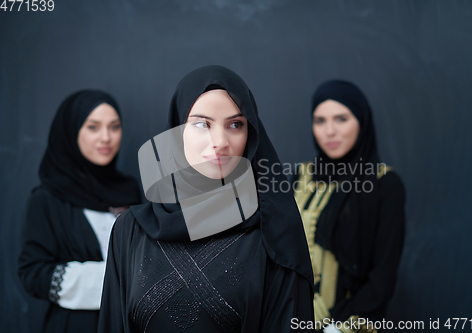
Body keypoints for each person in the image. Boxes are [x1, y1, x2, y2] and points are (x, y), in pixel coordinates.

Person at [97, 65, 314, 333]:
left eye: (235, 124)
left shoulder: (274, 230)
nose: (220, 141)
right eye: (202, 124)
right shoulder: (130, 231)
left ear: (251, 135)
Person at [18, 90, 141, 333]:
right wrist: (114, 280)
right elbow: (33, 274)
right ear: (71, 131)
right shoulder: (47, 199)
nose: (106, 137)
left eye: (114, 127)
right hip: (75, 325)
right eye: (93, 127)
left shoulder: (130, 191)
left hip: (128, 324)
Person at [293, 80, 405, 331]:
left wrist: (336, 329)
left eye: (341, 119)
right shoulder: (302, 176)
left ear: (362, 121)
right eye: (320, 121)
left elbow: (382, 277)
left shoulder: (384, 184)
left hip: (349, 324)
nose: (329, 131)